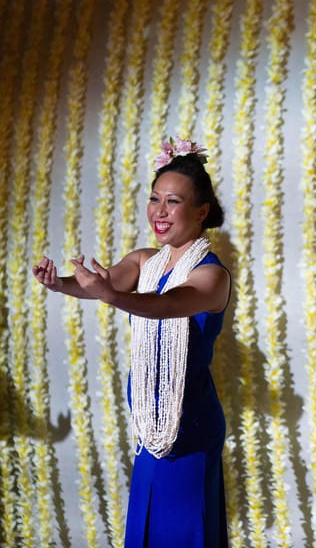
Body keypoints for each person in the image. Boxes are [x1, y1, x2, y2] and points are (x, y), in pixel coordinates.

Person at [33, 138, 231, 547]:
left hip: (189, 427)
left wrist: (114, 297)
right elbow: (104, 285)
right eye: (154, 199)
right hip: (150, 427)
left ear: (201, 210)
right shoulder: (145, 261)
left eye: (173, 202)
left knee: (183, 533)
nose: (159, 211)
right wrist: (62, 285)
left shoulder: (212, 276)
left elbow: (168, 305)